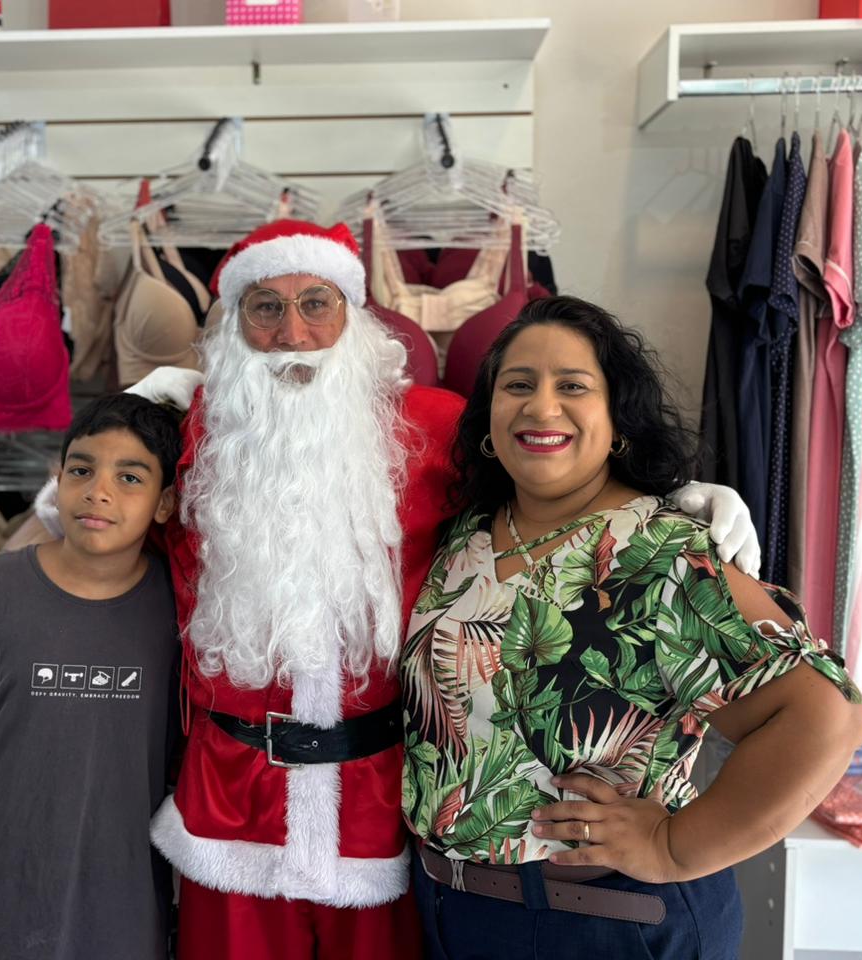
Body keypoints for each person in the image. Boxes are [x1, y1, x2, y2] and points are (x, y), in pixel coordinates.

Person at [39, 221, 760, 960]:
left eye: (316, 304)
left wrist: (676, 492)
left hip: (379, 809)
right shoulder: (186, 436)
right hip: (227, 805)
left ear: (352, 314)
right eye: (265, 308)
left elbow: (548, 465)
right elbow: (89, 516)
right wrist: (144, 404)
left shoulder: (432, 427)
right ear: (234, 323)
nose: (292, 332)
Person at [402, 296, 862, 960]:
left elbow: (827, 714)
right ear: (489, 416)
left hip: (602, 922)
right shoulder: (466, 537)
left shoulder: (660, 552)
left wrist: (673, 845)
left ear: (618, 420)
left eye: (572, 386)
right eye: (518, 385)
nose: (541, 407)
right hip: (453, 913)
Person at [0, 393, 182, 960]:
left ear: (164, 502)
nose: (98, 491)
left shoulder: (178, 610)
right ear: (57, 479)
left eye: (130, 477)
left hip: (111, 898)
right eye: (82, 470)